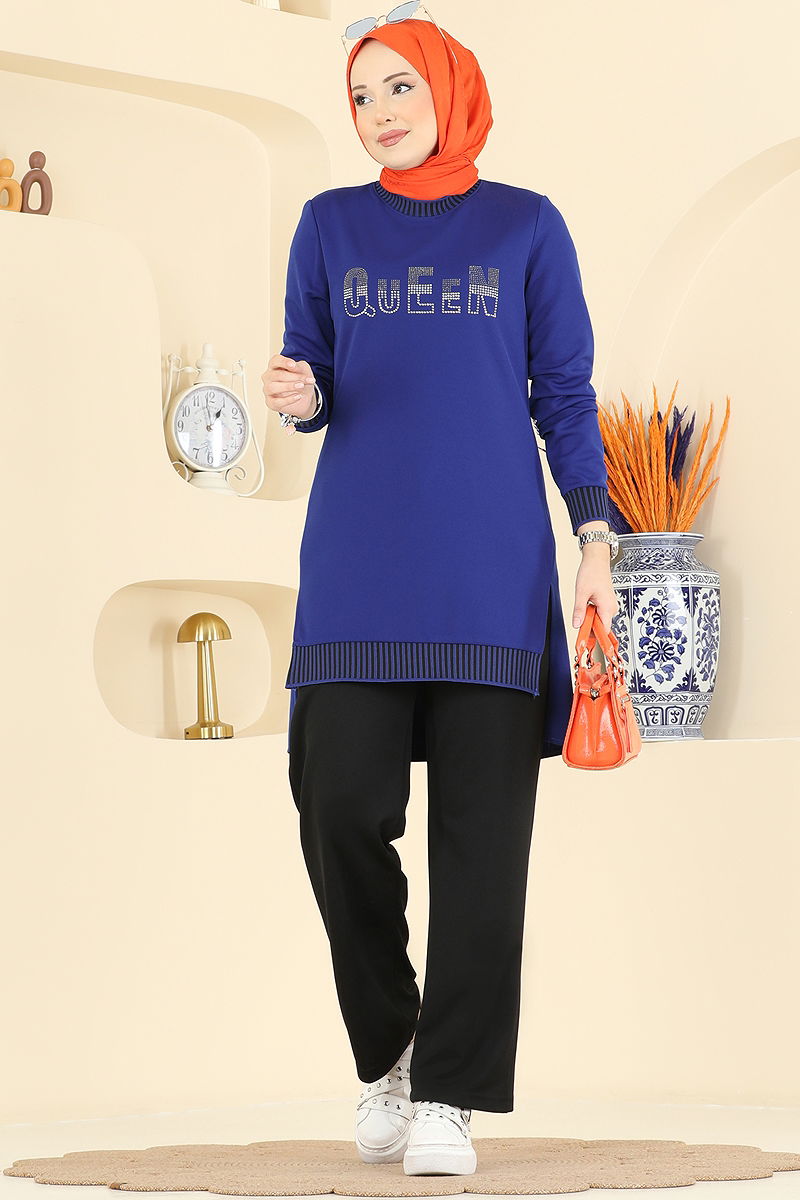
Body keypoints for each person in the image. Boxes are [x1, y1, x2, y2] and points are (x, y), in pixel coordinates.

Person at [261, 8, 619, 1178]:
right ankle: (392, 1057)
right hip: (357, 571)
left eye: (399, 86)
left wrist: (594, 534)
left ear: (450, 88)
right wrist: (300, 394)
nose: (378, 111)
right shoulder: (328, 224)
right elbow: (315, 372)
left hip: (487, 576)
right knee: (334, 810)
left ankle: (449, 1100)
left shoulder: (525, 225)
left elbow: (562, 388)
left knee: (483, 848)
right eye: (361, 95)